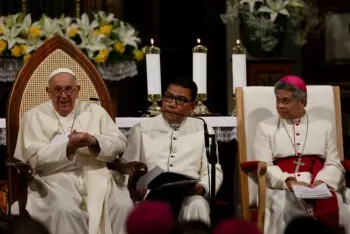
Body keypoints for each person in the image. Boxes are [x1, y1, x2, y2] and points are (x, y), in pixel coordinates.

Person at [13, 68, 133, 234]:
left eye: (69, 89)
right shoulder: (33, 116)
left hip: (98, 175)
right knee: (66, 211)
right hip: (53, 180)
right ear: (48, 92)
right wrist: (68, 147)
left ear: (78, 90)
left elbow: (119, 142)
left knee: (122, 205)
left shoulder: (95, 111)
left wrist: (94, 141)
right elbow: (35, 159)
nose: (64, 95)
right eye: (57, 89)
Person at [252, 75, 350, 234]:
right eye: (278, 100)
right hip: (283, 187)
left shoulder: (324, 126)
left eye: (286, 101)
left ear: (302, 102)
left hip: (319, 183)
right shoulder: (265, 127)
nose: (280, 106)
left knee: (345, 211)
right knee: (283, 209)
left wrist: (321, 182)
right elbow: (265, 164)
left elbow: (334, 162)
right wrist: (288, 181)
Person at [122, 76, 223, 225]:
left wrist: (202, 188)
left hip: (188, 194)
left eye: (180, 100)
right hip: (150, 194)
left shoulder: (203, 129)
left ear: (192, 106)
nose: (172, 104)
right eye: (169, 97)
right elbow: (127, 167)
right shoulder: (142, 128)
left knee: (198, 204)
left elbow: (213, 169)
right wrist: (134, 189)